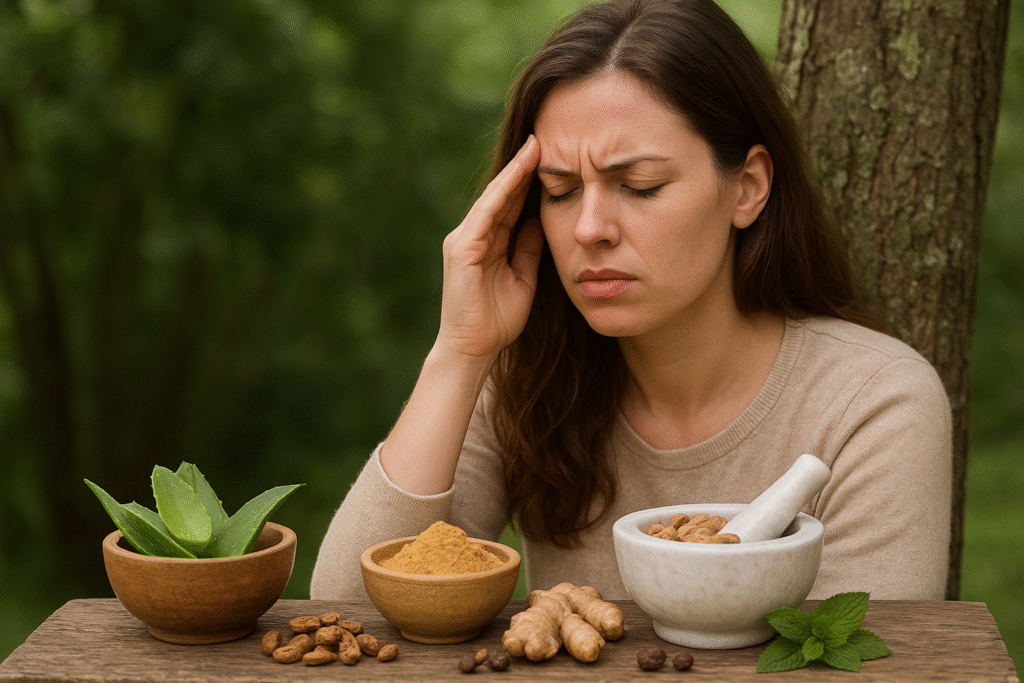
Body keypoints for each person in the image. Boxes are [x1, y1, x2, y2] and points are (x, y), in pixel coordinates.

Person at [311, 0, 952, 601]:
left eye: (639, 185)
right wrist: (459, 352)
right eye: (559, 191)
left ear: (747, 188)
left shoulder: (875, 405)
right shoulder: (522, 376)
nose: (589, 228)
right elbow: (348, 614)